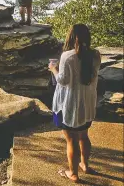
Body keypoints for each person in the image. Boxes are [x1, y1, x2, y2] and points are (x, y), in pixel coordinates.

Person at [48, 24, 101, 183]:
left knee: (71, 140)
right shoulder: (96, 55)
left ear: (71, 37)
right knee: (84, 136)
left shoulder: (67, 56)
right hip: (87, 104)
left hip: (69, 105)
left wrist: (53, 69)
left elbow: (62, 81)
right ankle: (85, 165)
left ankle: (73, 173)